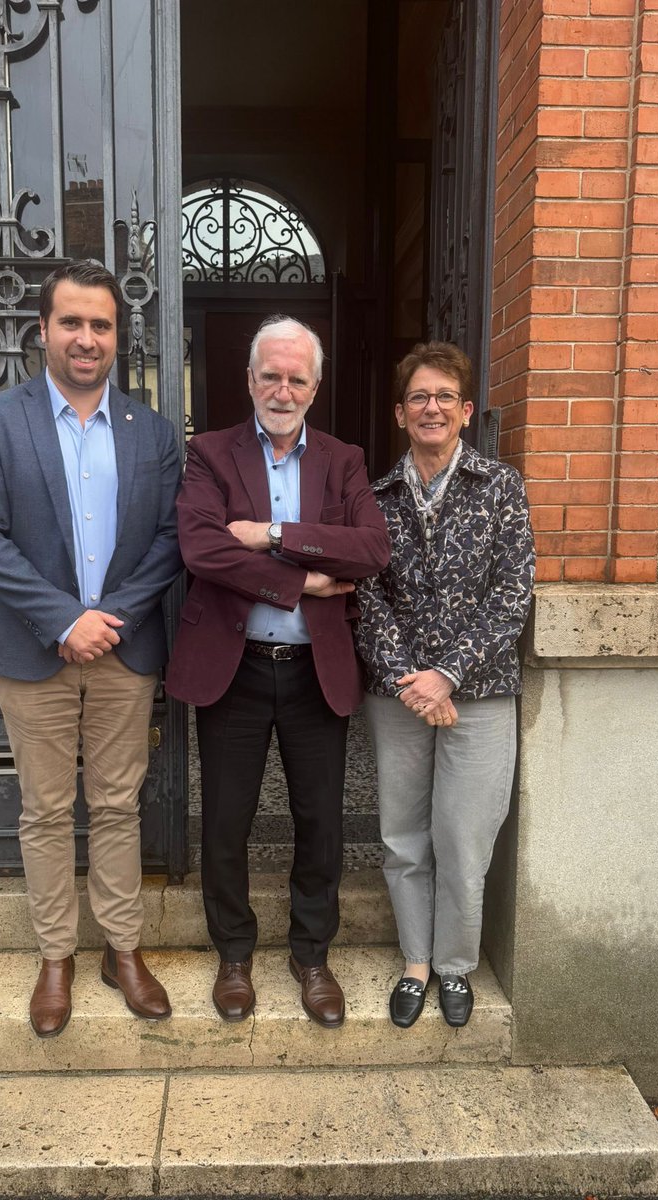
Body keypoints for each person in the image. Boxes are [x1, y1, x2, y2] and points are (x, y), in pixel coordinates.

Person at [0, 260, 182, 1037]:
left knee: (118, 805)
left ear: (119, 337)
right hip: (32, 650)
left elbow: (170, 537)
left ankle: (123, 950)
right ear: (43, 330)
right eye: (73, 323)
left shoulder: (150, 431)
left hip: (123, 649)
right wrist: (63, 619)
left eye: (102, 325)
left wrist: (109, 616)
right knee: (46, 811)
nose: (87, 339)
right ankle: (57, 956)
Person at [166, 315, 390, 1028]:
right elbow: (202, 550)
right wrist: (301, 582)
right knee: (225, 821)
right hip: (232, 669)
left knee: (320, 820)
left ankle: (310, 954)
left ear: (315, 386)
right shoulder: (209, 454)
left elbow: (369, 550)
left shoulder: (343, 459)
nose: (283, 388)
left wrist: (273, 536)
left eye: (297, 377)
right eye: (271, 375)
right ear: (250, 380)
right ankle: (234, 954)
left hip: (311, 669)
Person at [353, 341, 534, 1030]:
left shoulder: (500, 488)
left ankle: (456, 965)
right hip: (398, 695)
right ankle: (416, 963)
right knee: (403, 836)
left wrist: (448, 674)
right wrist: (412, 681)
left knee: (463, 837)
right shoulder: (375, 497)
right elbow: (367, 598)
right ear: (401, 413)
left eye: (444, 398)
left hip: (478, 695)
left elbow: (512, 593)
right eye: (418, 398)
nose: (431, 408)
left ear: (464, 412)